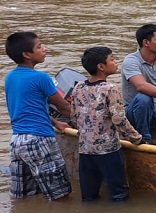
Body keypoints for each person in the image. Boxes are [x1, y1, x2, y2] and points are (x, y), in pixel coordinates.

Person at [4, 31, 74, 200]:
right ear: (27, 55)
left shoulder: (10, 77)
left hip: (18, 141)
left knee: (23, 197)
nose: (44, 49)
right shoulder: (41, 77)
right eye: (39, 47)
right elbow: (64, 106)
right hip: (39, 140)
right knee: (59, 195)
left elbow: (30, 108)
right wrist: (87, 123)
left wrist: (55, 122)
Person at [66, 47, 142, 202]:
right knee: (118, 195)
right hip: (108, 151)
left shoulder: (78, 87)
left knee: (88, 197)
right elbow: (119, 120)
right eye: (112, 59)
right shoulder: (110, 89)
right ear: (101, 66)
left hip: (85, 150)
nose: (116, 62)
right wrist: (136, 138)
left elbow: (74, 116)